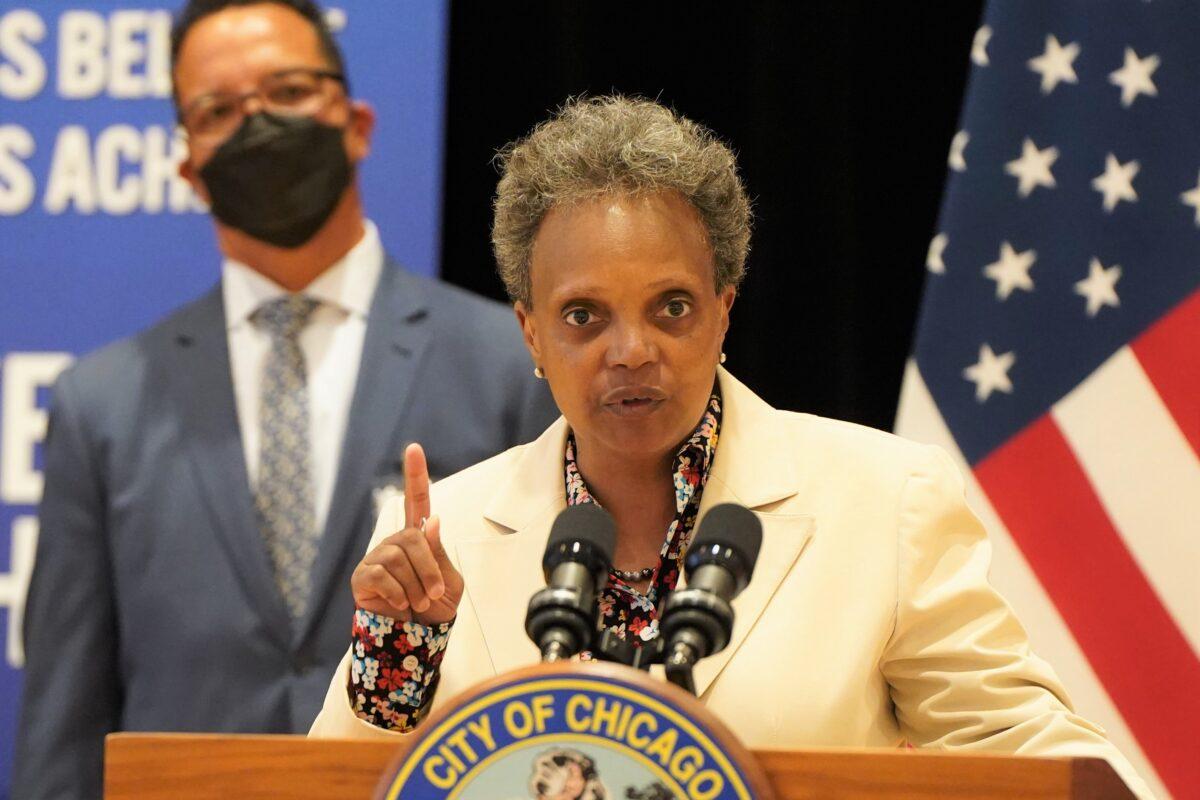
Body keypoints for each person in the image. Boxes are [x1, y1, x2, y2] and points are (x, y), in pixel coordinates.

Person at [308, 96, 1152, 798]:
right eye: (583, 316)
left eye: (670, 306)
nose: (631, 350)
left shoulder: (883, 502)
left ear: (724, 309)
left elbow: (1046, 761)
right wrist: (399, 662)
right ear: (529, 331)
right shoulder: (440, 531)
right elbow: (339, 784)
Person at [12, 1, 556, 798]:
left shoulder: (512, 365)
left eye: (289, 91)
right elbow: (64, 728)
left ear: (357, 122)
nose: (258, 124)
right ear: (190, 167)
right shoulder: (103, 404)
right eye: (219, 111)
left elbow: (554, 668)